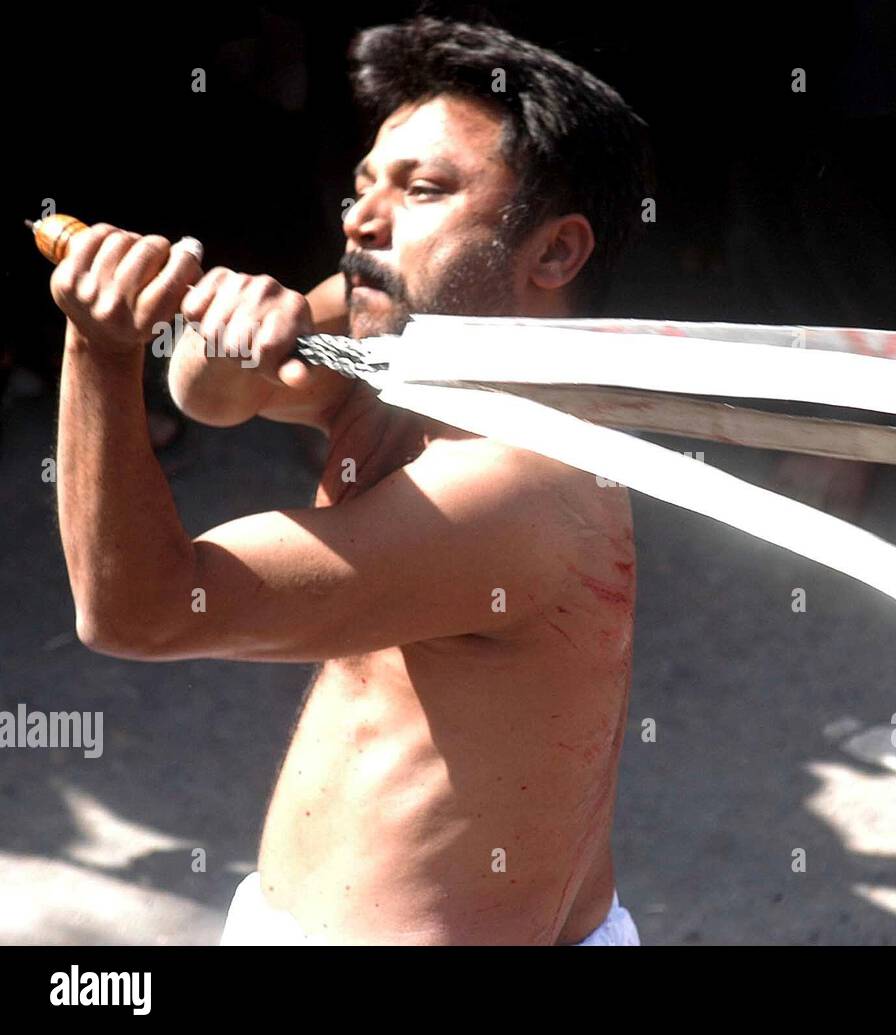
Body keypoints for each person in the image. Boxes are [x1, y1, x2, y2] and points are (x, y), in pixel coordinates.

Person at [48, 16, 653, 945]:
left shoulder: (516, 489)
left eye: (425, 190)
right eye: (366, 181)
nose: (362, 218)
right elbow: (207, 396)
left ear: (555, 253)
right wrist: (226, 329)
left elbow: (136, 611)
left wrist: (97, 349)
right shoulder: (402, 329)